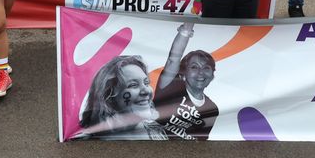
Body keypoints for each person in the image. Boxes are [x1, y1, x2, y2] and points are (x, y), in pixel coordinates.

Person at [73, 23, 217, 140]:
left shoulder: (212, 108)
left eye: (206, 68)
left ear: (212, 75)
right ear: (183, 73)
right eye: (194, 67)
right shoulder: (171, 86)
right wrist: (186, 30)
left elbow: (201, 139)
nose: (201, 72)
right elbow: (173, 58)